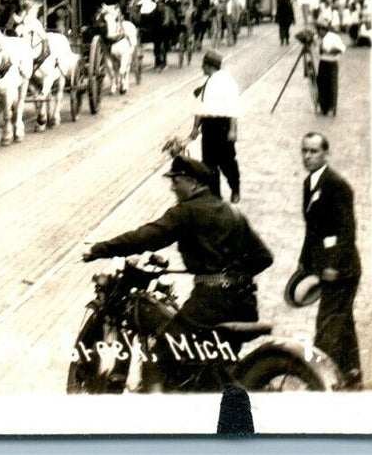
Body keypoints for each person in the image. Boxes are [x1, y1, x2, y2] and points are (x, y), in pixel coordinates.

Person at [83, 155, 273, 391]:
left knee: (158, 358)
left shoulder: (186, 212)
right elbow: (264, 257)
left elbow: (145, 237)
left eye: (176, 180)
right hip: (245, 305)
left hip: (210, 306)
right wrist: (232, 274)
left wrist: (99, 249)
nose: (172, 186)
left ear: (192, 182)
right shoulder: (232, 212)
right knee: (206, 364)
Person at [295, 132, 362, 388]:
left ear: (325, 154)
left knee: (327, 324)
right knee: (341, 320)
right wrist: (304, 262)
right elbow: (312, 230)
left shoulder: (336, 185)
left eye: (314, 151)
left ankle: (319, 380)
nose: (308, 156)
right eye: (305, 151)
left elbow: (348, 231)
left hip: (343, 270)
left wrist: (334, 264)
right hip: (324, 267)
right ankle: (352, 372)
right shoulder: (308, 184)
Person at [186, 49, 242, 203]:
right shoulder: (204, 81)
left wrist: (232, 129)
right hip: (208, 127)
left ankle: (235, 189)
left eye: (203, 64)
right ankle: (215, 196)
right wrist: (195, 128)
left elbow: (233, 106)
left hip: (223, 125)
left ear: (208, 65)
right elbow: (199, 107)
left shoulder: (226, 81)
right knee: (209, 164)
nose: (201, 68)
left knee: (227, 162)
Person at [313, 18, 346, 116]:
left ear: (325, 30)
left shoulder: (333, 37)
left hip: (332, 62)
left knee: (331, 85)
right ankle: (324, 107)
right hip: (323, 62)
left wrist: (329, 51)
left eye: (321, 30)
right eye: (318, 30)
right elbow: (316, 50)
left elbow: (341, 49)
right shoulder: (318, 38)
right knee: (321, 84)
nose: (319, 32)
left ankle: (332, 107)